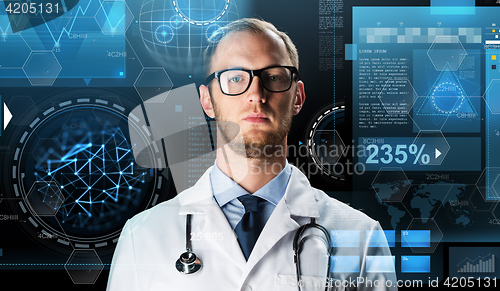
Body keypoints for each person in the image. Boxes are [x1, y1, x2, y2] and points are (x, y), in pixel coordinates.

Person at [107, 18, 397, 291]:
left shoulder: (361, 237)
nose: (256, 94)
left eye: (273, 76)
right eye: (235, 78)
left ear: (297, 97)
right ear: (207, 101)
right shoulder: (142, 237)